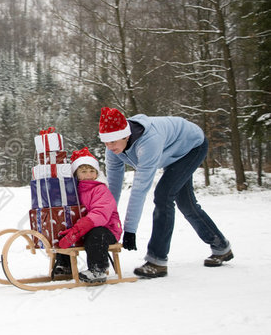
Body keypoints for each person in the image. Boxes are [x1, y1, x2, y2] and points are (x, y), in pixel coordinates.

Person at [99, 107, 233, 278]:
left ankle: (157, 260)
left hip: (192, 146)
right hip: (171, 153)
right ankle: (221, 247)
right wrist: (107, 218)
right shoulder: (113, 149)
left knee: (163, 196)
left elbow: (140, 189)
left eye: (112, 142)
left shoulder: (149, 142)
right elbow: (114, 188)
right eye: (106, 142)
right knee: (187, 204)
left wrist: (130, 230)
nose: (109, 147)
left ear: (126, 135)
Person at [55, 147, 123, 283]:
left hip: (106, 230)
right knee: (64, 229)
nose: (88, 175)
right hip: (83, 229)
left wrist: (80, 228)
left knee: (96, 233)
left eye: (92, 171)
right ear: (76, 174)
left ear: (97, 173)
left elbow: (100, 214)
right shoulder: (73, 190)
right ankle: (65, 265)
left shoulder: (100, 189)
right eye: (83, 171)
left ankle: (98, 269)